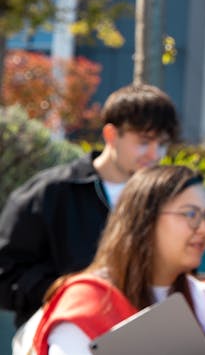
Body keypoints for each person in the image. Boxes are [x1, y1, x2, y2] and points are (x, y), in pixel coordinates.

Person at [0, 84, 178, 343]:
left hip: (144, 336)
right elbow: (5, 276)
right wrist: (72, 288)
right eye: (144, 142)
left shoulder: (166, 200)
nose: (155, 154)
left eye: (162, 144)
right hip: (61, 334)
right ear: (111, 134)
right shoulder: (51, 193)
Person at [29, 165, 205, 354]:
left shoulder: (204, 300)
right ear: (145, 219)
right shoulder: (85, 302)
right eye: (190, 214)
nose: (204, 229)